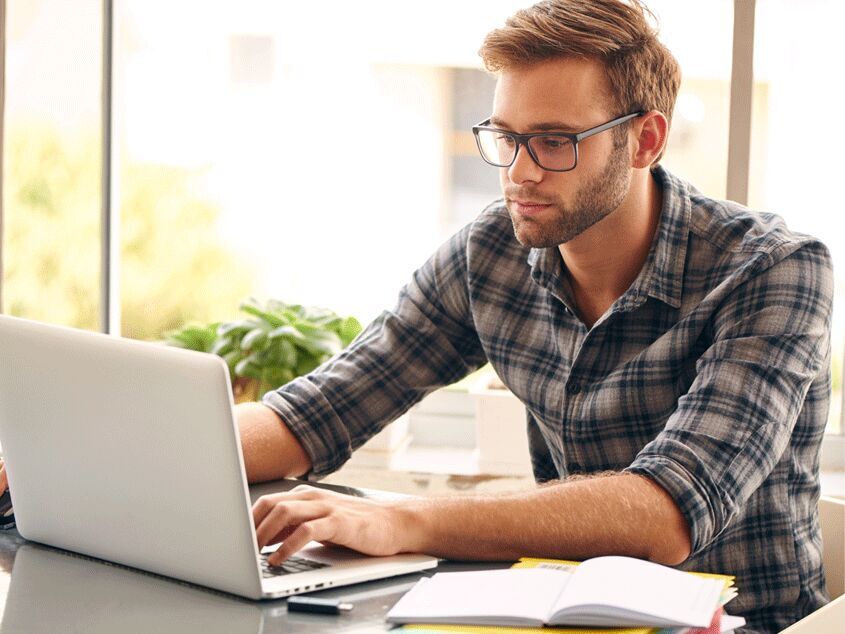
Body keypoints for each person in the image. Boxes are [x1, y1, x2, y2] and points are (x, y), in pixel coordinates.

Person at [0, 1, 831, 631]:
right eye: (502, 136)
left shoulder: (773, 271)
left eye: (551, 141)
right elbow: (321, 411)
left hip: (743, 620)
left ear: (644, 140)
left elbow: (664, 515)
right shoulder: (492, 252)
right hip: (564, 612)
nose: (517, 171)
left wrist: (397, 517)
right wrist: (52, 460)